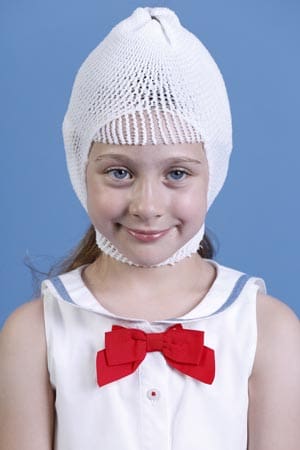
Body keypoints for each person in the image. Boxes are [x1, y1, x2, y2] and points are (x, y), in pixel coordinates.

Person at [0, 6, 299, 450]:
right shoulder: (34, 332)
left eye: (177, 173)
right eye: (119, 172)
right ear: (79, 169)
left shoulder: (266, 328)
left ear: (213, 172)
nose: (147, 206)